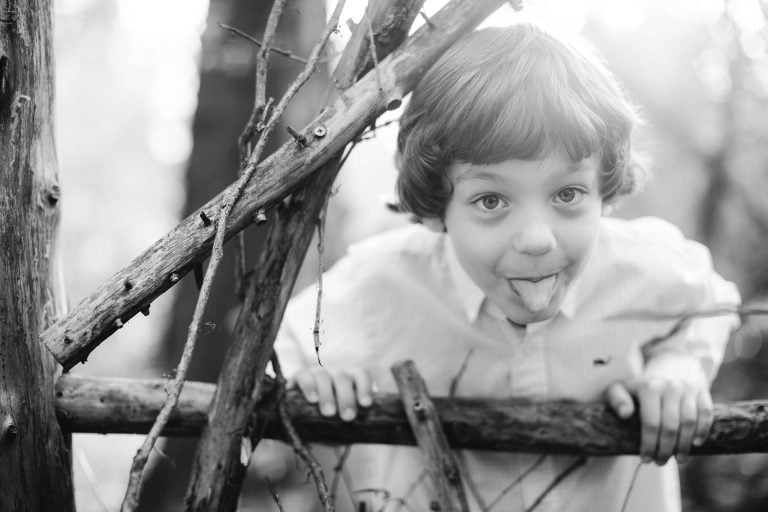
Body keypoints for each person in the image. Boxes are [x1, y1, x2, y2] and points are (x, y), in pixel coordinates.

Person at [272, 23, 740, 512]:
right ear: (437, 209)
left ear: (603, 189)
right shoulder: (383, 282)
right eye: (491, 199)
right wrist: (314, 377)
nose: (538, 239)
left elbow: (712, 301)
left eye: (567, 194)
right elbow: (278, 356)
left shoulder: (643, 268)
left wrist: (679, 366)